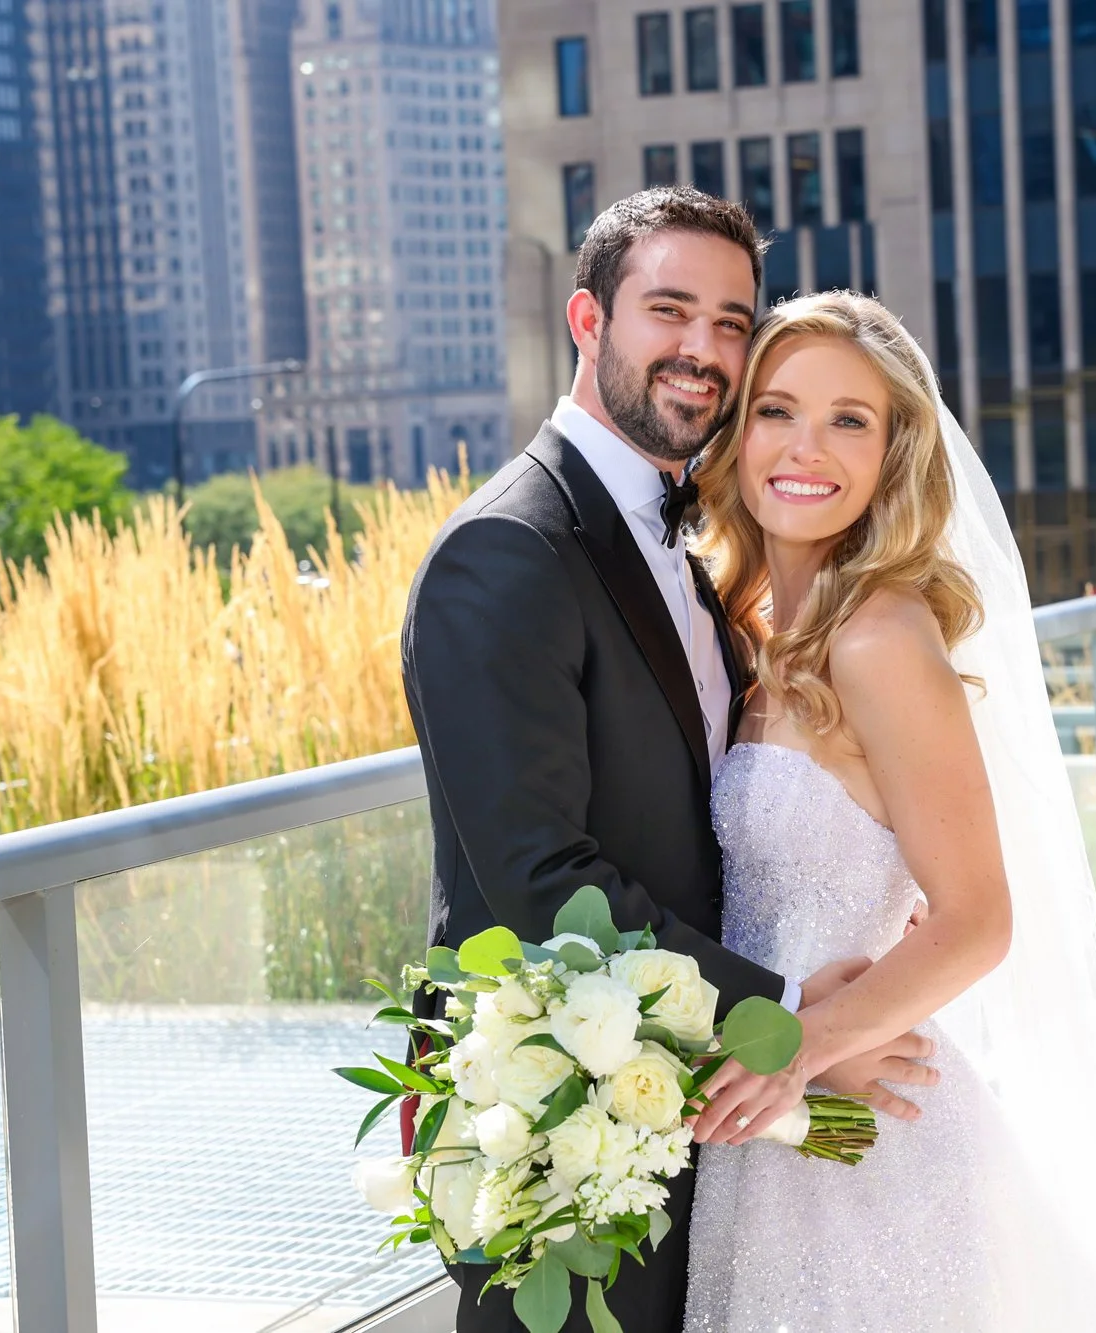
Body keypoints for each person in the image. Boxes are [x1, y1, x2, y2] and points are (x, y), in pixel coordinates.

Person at [400, 191, 938, 1333]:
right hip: (563, 1129)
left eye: (731, 323)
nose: (702, 350)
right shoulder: (508, 550)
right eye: (669, 310)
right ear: (588, 319)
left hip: (718, 1130)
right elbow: (542, 884)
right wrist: (785, 1020)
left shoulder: (696, 556)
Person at [679, 290, 1096, 1330]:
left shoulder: (878, 638)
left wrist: (805, 1038)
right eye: (777, 409)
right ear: (734, 433)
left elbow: (975, 919)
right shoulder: (745, 635)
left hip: (867, 1143)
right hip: (772, 1129)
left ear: (892, 454)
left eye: (850, 419)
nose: (807, 446)